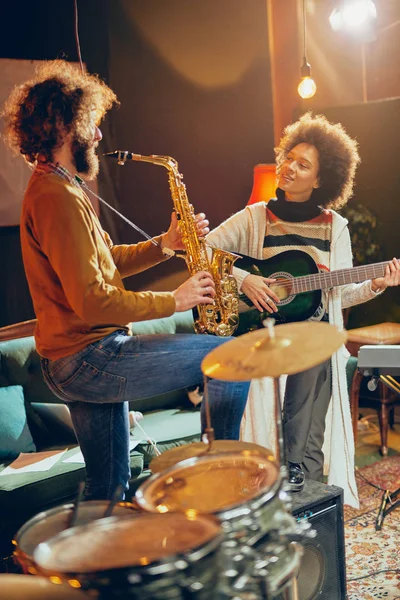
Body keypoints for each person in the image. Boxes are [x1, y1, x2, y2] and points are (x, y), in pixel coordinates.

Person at [2, 60, 250, 501]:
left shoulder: (59, 187)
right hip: (91, 357)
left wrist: (165, 244)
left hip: (76, 358)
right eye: (93, 125)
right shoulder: (57, 196)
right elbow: (93, 301)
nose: (98, 136)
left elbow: (102, 265)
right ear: (65, 126)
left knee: (109, 485)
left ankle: (100, 565)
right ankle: (222, 478)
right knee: (230, 356)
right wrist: (173, 301)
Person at [206, 112, 400, 506]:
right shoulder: (255, 217)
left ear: (321, 178)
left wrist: (374, 286)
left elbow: (339, 294)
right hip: (262, 341)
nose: (289, 167)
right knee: (281, 439)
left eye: (303, 164)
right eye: (288, 157)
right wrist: (246, 279)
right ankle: (270, 503)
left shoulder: (335, 227)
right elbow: (205, 248)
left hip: (311, 347)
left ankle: (309, 517)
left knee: (309, 442)